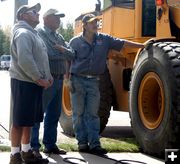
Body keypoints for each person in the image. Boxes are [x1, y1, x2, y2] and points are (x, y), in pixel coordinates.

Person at [69, 14, 145, 155]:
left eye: (96, 22)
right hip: (77, 80)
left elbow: (122, 42)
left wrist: (143, 45)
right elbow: (68, 60)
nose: (95, 25)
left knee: (93, 114)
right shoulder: (74, 42)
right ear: (84, 25)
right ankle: (82, 143)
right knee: (78, 113)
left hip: (94, 81)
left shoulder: (104, 39)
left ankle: (95, 145)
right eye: (92, 23)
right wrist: (67, 80)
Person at [9, 3, 52, 164]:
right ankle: (15, 155)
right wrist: (38, 78)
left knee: (29, 120)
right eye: (34, 12)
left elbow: (40, 59)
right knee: (20, 120)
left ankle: (26, 152)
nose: (38, 14)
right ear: (23, 16)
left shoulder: (32, 34)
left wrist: (47, 76)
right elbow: (25, 59)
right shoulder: (23, 33)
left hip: (33, 83)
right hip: (24, 82)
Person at [30, 9, 75, 157]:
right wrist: (64, 52)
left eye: (60, 18)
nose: (59, 20)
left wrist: (62, 50)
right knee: (37, 115)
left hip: (59, 79)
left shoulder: (59, 36)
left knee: (54, 114)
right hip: (46, 80)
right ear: (46, 18)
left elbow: (72, 54)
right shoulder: (40, 32)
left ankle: (49, 145)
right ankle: (33, 147)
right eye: (56, 17)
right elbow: (47, 54)